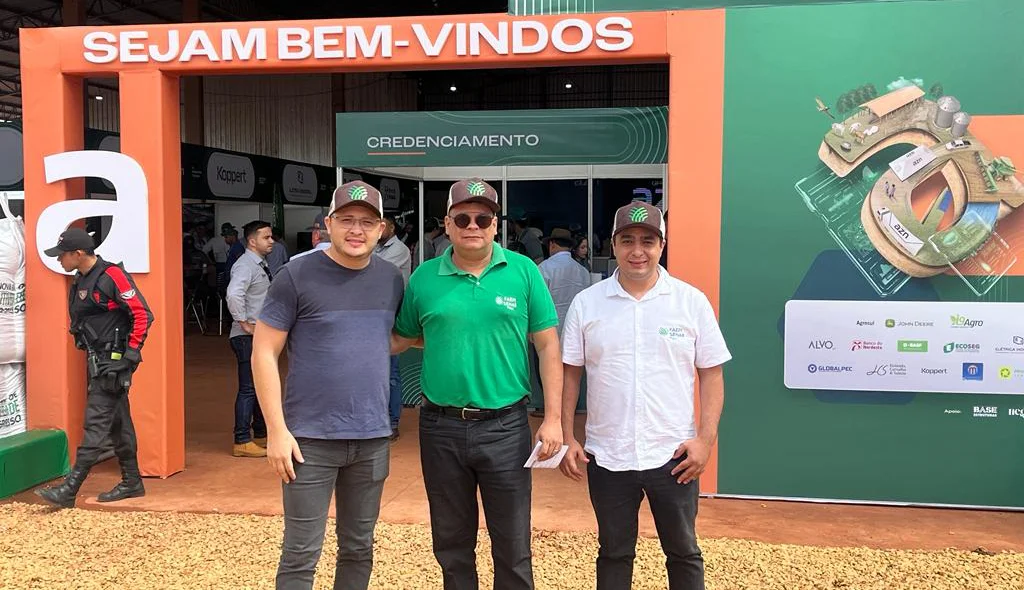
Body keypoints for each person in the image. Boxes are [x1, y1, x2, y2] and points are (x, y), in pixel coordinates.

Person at [392, 178, 564, 590]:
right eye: (463, 217)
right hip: (440, 428)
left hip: (505, 427)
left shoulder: (523, 272)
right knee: (451, 544)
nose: (473, 225)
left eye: (483, 217)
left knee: (513, 544)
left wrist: (555, 417)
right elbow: (401, 338)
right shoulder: (424, 278)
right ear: (447, 224)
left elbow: (548, 346)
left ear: (495, 225)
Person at [558, 202, 731, 590]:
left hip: (673, 456)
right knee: (614, 552)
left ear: (662, 244)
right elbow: (570, 375)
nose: (638, 251)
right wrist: (569, 437)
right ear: (614, 245)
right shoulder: (588, 303)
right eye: (627, 241)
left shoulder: (690, 302)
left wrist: (704, 441)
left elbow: (712, 376)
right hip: (608, 456)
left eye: (648, 241)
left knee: (683, 551)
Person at [251, 181, 404, 590]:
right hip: (309, 440)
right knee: (301, 554)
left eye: (367, 222)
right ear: (329, 224)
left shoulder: (391, 279)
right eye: (347, 220)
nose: (357, 230)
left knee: (359, 547)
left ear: (381, 228)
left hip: (372, 436)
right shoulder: (296, 275)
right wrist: (276, 431)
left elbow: (392, 337)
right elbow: (263, 352)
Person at [35, 227, 154, 508]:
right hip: (97, 360)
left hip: (113, 364)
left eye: (62, 255)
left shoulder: (111, 275)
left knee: (96, 422)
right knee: (118, 423)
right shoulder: (81, 279)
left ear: (78, 254)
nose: (58, 260)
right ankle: (132, 481)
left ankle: (70, 489)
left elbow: (142, 314)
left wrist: (131, 353)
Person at [225, 220, 275, 458]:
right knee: (248, 388)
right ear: (252, 241)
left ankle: (260, 433)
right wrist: (243, 321)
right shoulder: (245, 265)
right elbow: (234, 293)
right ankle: (242, 439)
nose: (271, 241)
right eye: (266, 237)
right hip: (246, 336)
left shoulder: (258, 264)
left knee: (257, 385)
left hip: (257, 334)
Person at [532, 228, 592, 416]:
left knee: (546, 366)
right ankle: (569, 408)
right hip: (575, 327)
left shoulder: (544, 268)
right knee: (572, 369)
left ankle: (549, 408)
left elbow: (536, 303)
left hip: (548, 328)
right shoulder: (582, 271)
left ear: (552, 244)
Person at [375, 215, 412, 442]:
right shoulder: (376, 248)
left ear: (391, 228)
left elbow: (374, 270)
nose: (379, 230)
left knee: (391, 373)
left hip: (392, 314)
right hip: (374, 314)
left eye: (384, 226)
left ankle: (393, 420)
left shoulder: (399, 249)